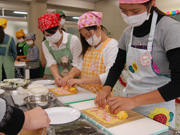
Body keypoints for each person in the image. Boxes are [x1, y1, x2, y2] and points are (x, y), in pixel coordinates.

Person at [95, 0, 180, 128]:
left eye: (135, 11)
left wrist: (133, 101)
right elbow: (117, 66)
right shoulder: (127, 33)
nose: (129, 16)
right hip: (129, 107)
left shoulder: (170, 29)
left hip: (159, 109)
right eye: (123, 10)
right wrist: (106, 88)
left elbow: (178, 84)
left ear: (151, 3)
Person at [66, 11, 119, 94]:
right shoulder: (90, 47)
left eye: (88, 35)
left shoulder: (111, 45)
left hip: (100, 95)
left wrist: (81, 81)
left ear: (98, 28)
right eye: (85, 37)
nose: (87, 39)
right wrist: (71, 75)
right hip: (85, 93)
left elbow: (110, 75)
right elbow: (82, 67)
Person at [38, 12, 82, 86]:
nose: (51, 37)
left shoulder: (73, 40)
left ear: (59, 27)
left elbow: (77, 64)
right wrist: (56, 76)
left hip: (73, 78)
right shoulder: (45, 44)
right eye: (47, 35)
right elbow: (52, 64)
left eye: (53, 33)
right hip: (57, 80)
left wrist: (69, 76)